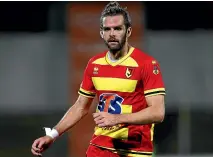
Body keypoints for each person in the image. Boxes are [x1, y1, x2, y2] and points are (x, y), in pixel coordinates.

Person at [31, 1, 166, 157]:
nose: (112, 34)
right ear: (102, 33)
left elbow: (158, 112)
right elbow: (80, 107)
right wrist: (52, 135)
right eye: (107, 29)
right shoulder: (94, 64)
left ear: (128, 31)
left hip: (134, 150)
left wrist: (117, 118)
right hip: (100, 148)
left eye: (117, 29)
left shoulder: (147, 64)